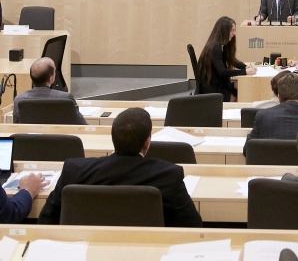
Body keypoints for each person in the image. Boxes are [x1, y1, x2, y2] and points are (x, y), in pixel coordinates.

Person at [38, 107, 202, 226]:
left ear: (113, 138)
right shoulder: (169, 175)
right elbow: (193, 227)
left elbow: (46, 220)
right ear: (147, 142)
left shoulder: (73, 170)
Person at [197, 16, 256, 102]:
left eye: (235, 30)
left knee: (239, 86)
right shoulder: (215, 48)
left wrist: (245, 67)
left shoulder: (222, 45)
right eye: (232, 31)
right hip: (213, 89)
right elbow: (222, 72)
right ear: (223, 31)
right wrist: (245, 72)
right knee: (240, 89)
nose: (234, 33)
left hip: (219, 84)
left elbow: (231, 59)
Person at [13, 57, 87, 124]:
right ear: (51, 78)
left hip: (31, 139)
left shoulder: (19, 99)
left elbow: (16, 128)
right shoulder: (65, 98)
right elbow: (82, 125)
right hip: (60, 138)